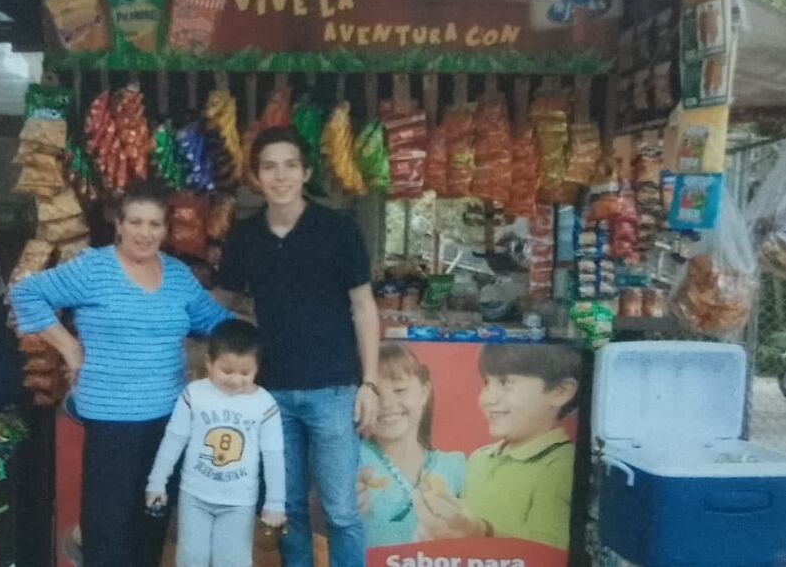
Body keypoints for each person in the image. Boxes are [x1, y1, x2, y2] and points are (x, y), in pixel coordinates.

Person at [9, 180, 232, 567]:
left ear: (166, 229)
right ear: (120, 225)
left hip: (168, 421)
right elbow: (26, 292)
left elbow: (218, 324)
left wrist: (266, 331)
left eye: (155, 225)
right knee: (107, 529)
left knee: (151, 522)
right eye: (137, 222)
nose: (145, 233)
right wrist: (69, 347)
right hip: (112, 421)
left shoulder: (178, 276)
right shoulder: (94, 268)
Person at [216, 126, 381, 567]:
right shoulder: (245, 236)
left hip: (334, 389)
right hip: (270, 395)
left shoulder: (337, 229)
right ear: (257, 177)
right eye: (269, 167)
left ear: (306, 172)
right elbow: (220, 306)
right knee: (286, 511)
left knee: (341, 511)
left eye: (290, 165)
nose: (281, 176)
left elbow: (364, 308)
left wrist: (371, 384)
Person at [146, 319, 287, 567]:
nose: (235, 380)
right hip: (195, 496)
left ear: (257, 368)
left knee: (232, 561)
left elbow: (273, 456)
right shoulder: (194, 395)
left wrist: (275, 503)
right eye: (226, 371)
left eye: (245, 373)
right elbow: (174, 439)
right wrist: (157, 482)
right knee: (191, 559)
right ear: (209, 363)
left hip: (239, 502)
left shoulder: (265, 406)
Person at [414, 343, 581, 551]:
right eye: (486, 383)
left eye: (505, 383)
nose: (488, 399)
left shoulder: (561, 464)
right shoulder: (479, 459)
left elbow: (548, 554)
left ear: (560, 392)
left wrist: (481, 532)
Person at [357, 343, 465, 547]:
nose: (387, 404)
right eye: (376, 393)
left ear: (424, 392)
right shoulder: (350, 462)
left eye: (399, 390)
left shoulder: (457, 467)